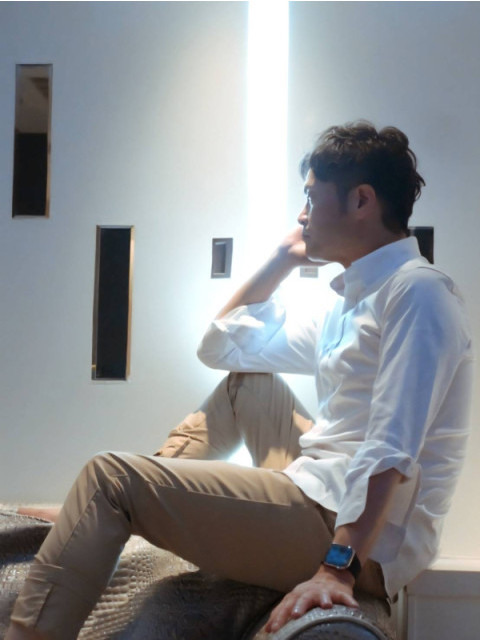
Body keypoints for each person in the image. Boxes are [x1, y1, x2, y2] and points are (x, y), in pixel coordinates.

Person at [6, 121, 473, 640]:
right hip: (322, 487)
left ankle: (108, 511)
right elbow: (220, 348)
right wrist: (281, 259)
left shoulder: (418, 293)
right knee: (247, 384)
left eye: (311, 197)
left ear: (361, 200)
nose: (301, 215)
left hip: (356, 534)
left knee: (108, 478)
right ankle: (120, 509)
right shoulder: (351, 303)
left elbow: (390, 449)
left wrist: (337, 567)